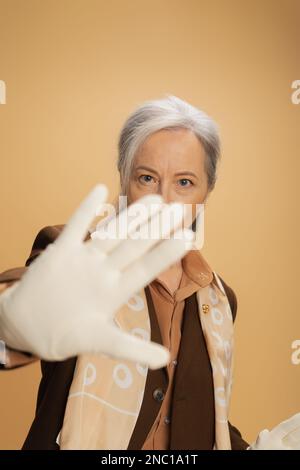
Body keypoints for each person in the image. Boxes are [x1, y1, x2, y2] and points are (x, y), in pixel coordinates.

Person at [1, 95, 299, 450]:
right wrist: (14, 326)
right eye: (147, 178)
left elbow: (191, 419)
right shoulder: (73, 255)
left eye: (185, 182)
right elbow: (14, 316)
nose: (164, 200)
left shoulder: (219, 300)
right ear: (124, 179)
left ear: (208, 191)